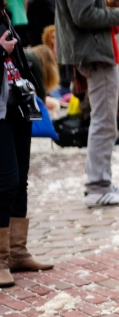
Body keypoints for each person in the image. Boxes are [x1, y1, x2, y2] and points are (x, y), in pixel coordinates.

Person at [55, 0, 119, 207]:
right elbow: (84, 16)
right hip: (94, 53)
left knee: (105, 121)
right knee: (103, 122)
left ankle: (102, 182)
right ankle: (98, 186)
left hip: (95, 51)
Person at [1, 6, 54, 288]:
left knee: (20, 180)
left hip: (19, 108)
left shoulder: (5, 14)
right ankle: (1, 258)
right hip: (0, 113)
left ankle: (18, 253)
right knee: (6, 182)